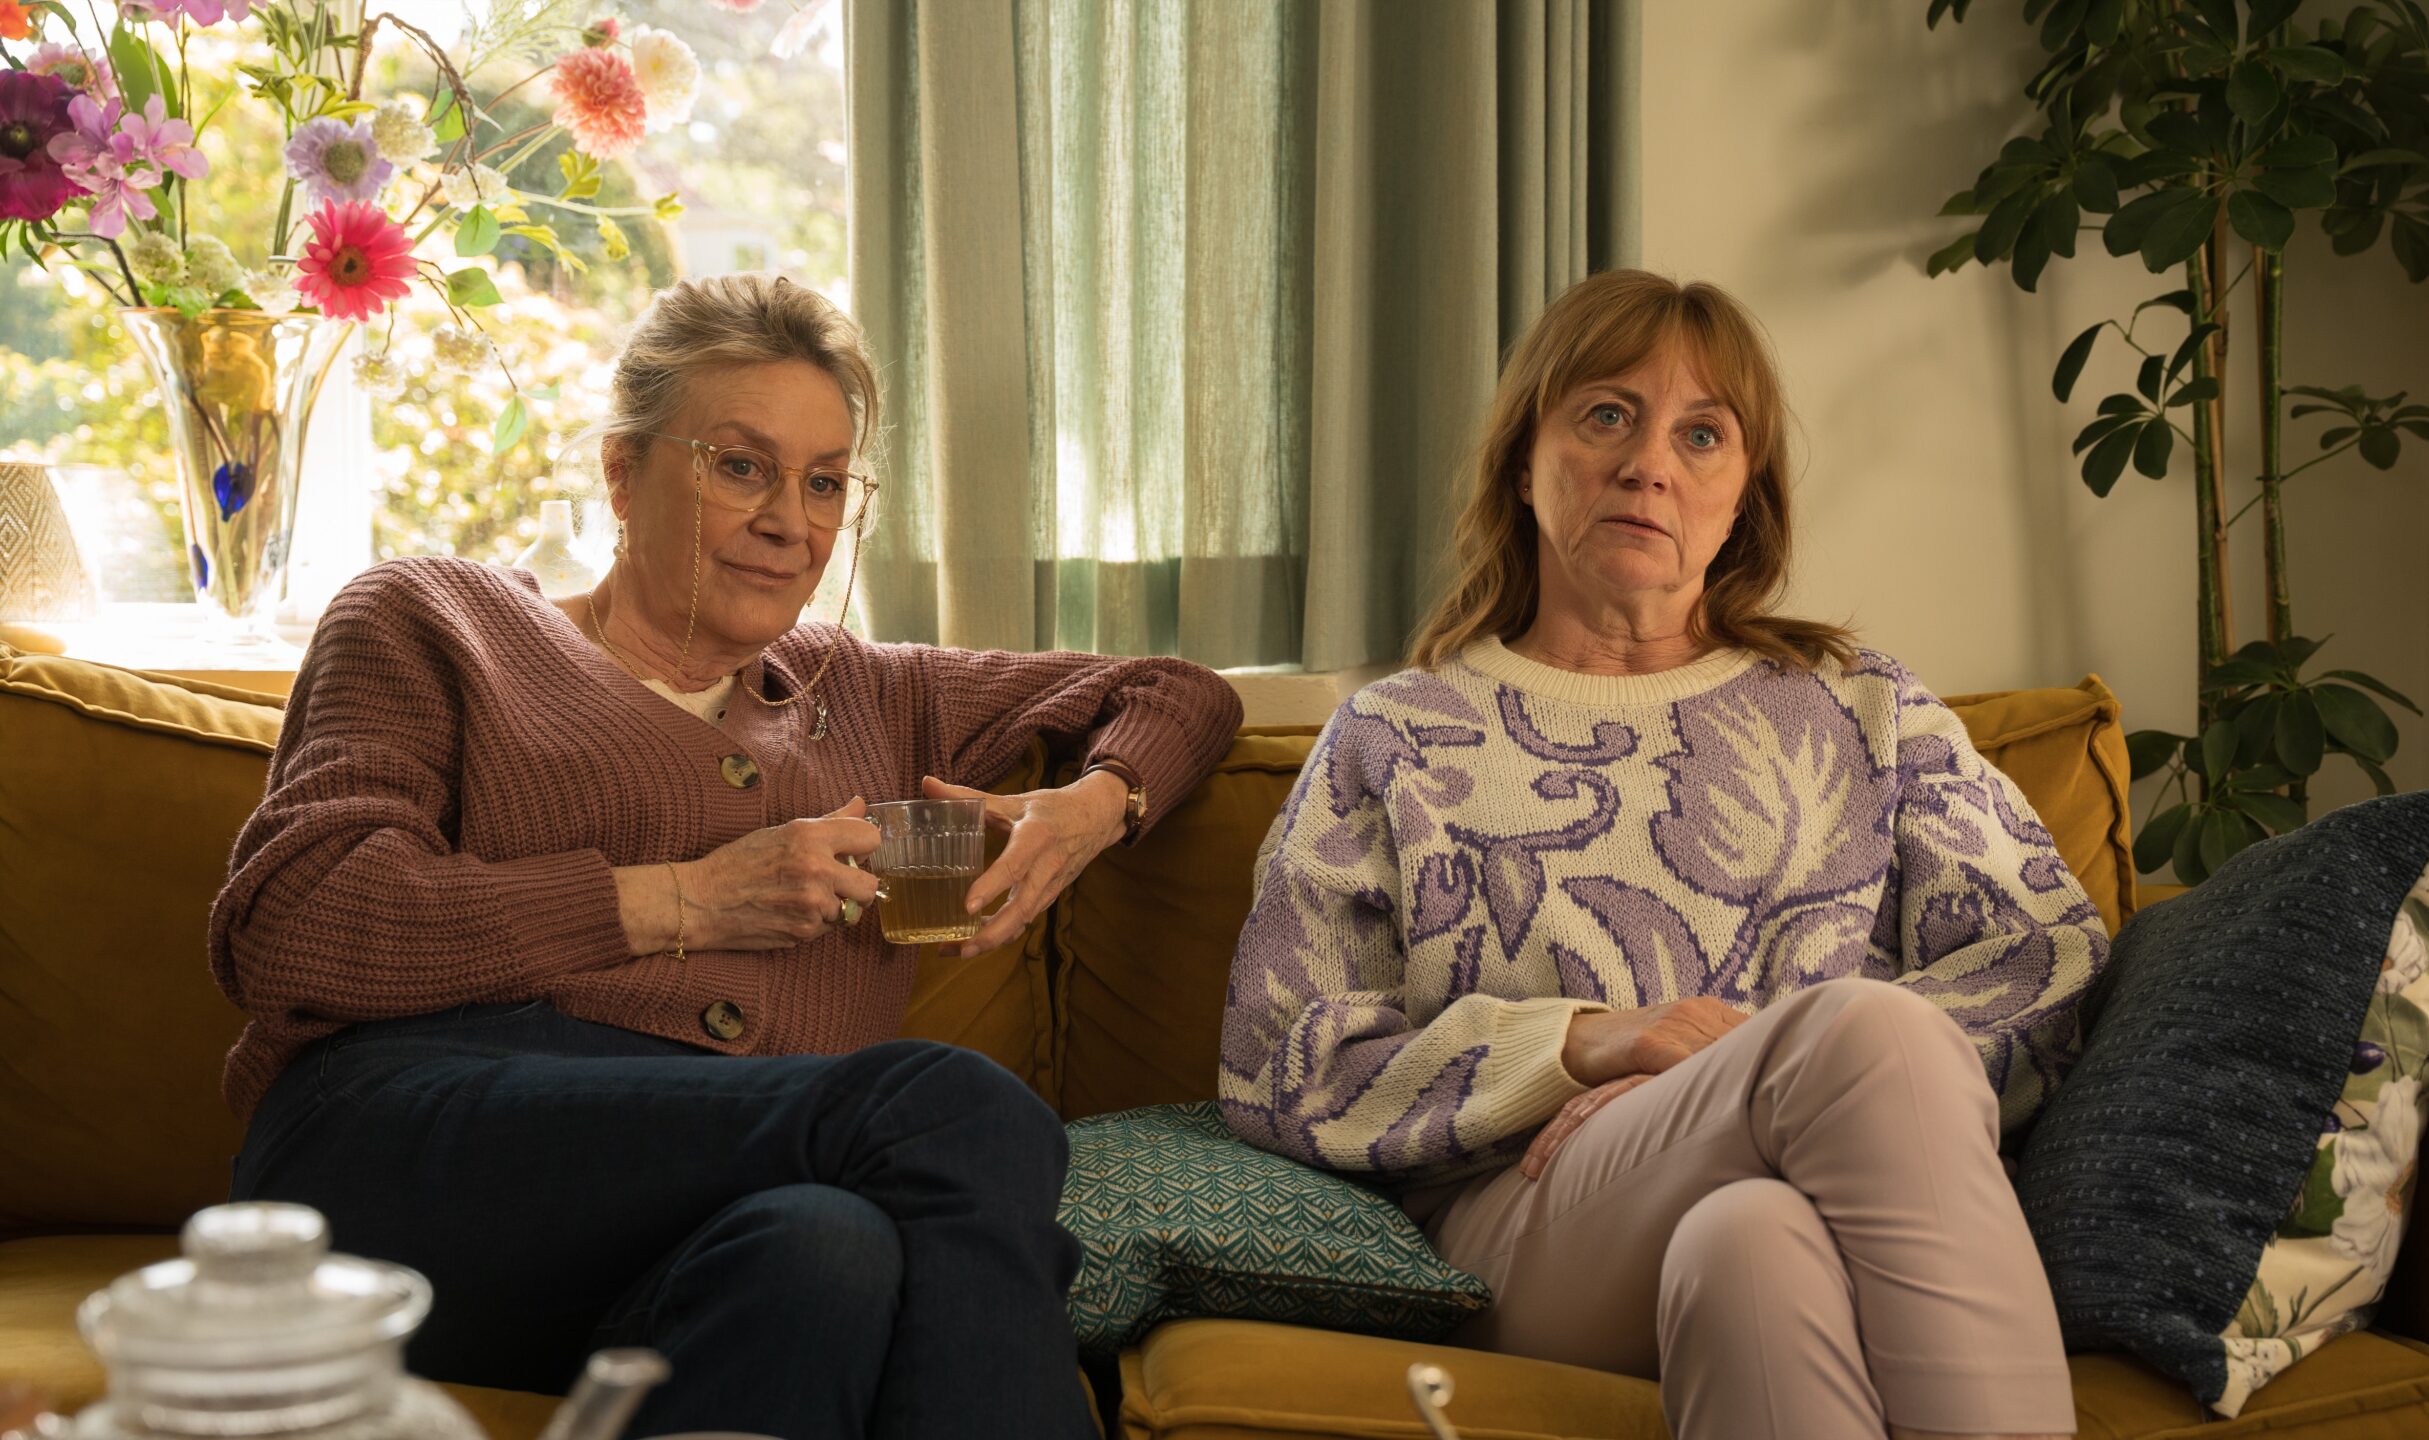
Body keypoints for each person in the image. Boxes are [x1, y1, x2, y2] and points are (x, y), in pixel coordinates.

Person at [214, 273, 1242, 1440]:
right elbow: (294, 927)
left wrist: (1092, 807)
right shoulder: (435, 621)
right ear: (622, 472)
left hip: (681, 1233)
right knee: (949, 1110)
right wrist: (685, 901)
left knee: (825, 1251)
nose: (790, 522)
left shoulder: (873, 693)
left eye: (825, 483)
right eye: (742, 467)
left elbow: (1177, 693)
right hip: (406, 1153)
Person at [1220, 269, 2105, 1440]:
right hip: (1528, 1220)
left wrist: (1739, 1084)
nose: (1649, 465)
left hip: (1799, 1198)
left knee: (1754, 1244)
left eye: (1701, 435)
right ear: (1523, 459)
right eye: (1606, 415)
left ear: (1743, 498)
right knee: (1867, 1034)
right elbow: (1283, 1059)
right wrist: (1592, 1044)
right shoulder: (1393, 737)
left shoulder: (1866, 709)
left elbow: (2043, 963)